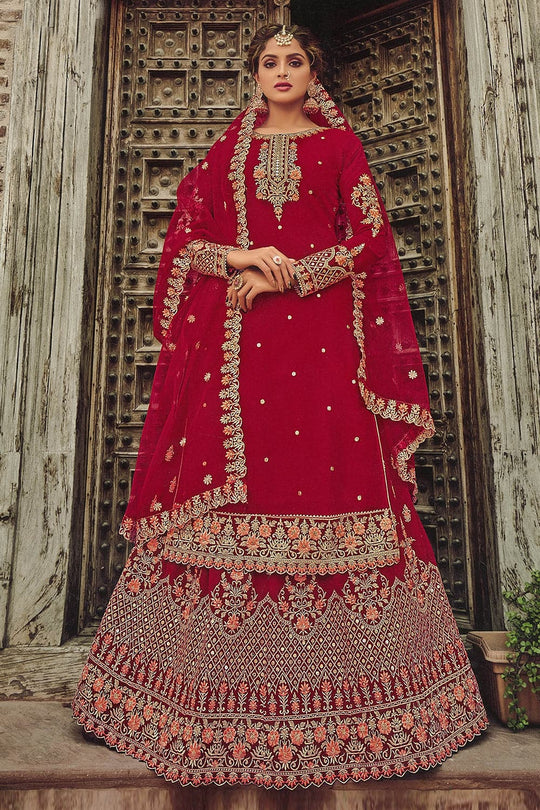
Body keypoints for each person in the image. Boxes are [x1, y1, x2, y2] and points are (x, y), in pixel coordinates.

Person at [73, 24, 487, 788]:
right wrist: (241, 257)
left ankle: (374, 709)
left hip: (325, 345)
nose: (282, 71)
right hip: (235, 353)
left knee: (336, 483)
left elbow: (369, 239)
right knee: (232, 498)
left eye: (295, 60)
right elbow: (187, 239)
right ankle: (191, 703)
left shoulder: (340, 147)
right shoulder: (229, 150)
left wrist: (291, 275)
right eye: (270, 61)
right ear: (255, 76)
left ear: (313, 72)